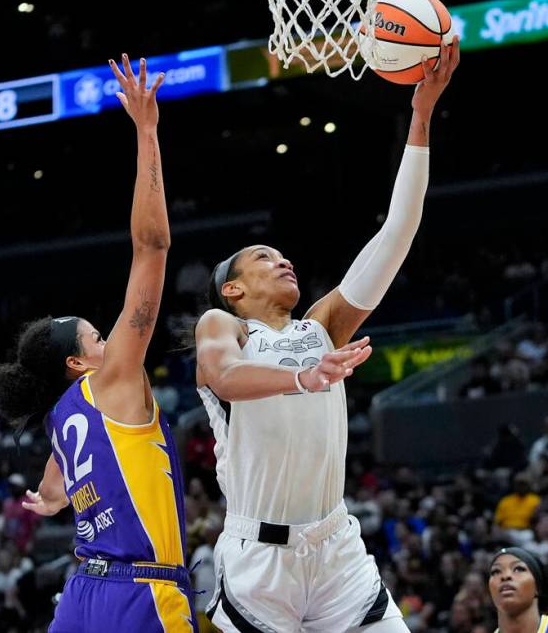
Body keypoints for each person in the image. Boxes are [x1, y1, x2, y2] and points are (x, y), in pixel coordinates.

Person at [193, 39, 460, 632]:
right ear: (232, 289)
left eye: (282, 254)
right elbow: (226, 379)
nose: (281, 260)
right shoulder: (223, 325)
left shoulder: (322, 325)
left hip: (337, 547)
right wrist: (302, 377)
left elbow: (398, 231)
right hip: (260, 559)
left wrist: (419, 118)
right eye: (263, 258)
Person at [0, 54, 195, 632]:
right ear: (78, 362)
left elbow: (53, 484)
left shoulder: (60, 420)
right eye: (98, 336)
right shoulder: (110, 382)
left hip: (83, 594)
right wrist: (147, 133)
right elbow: (151, 248)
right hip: (140, 592)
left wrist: (53, 499)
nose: (111, 338)